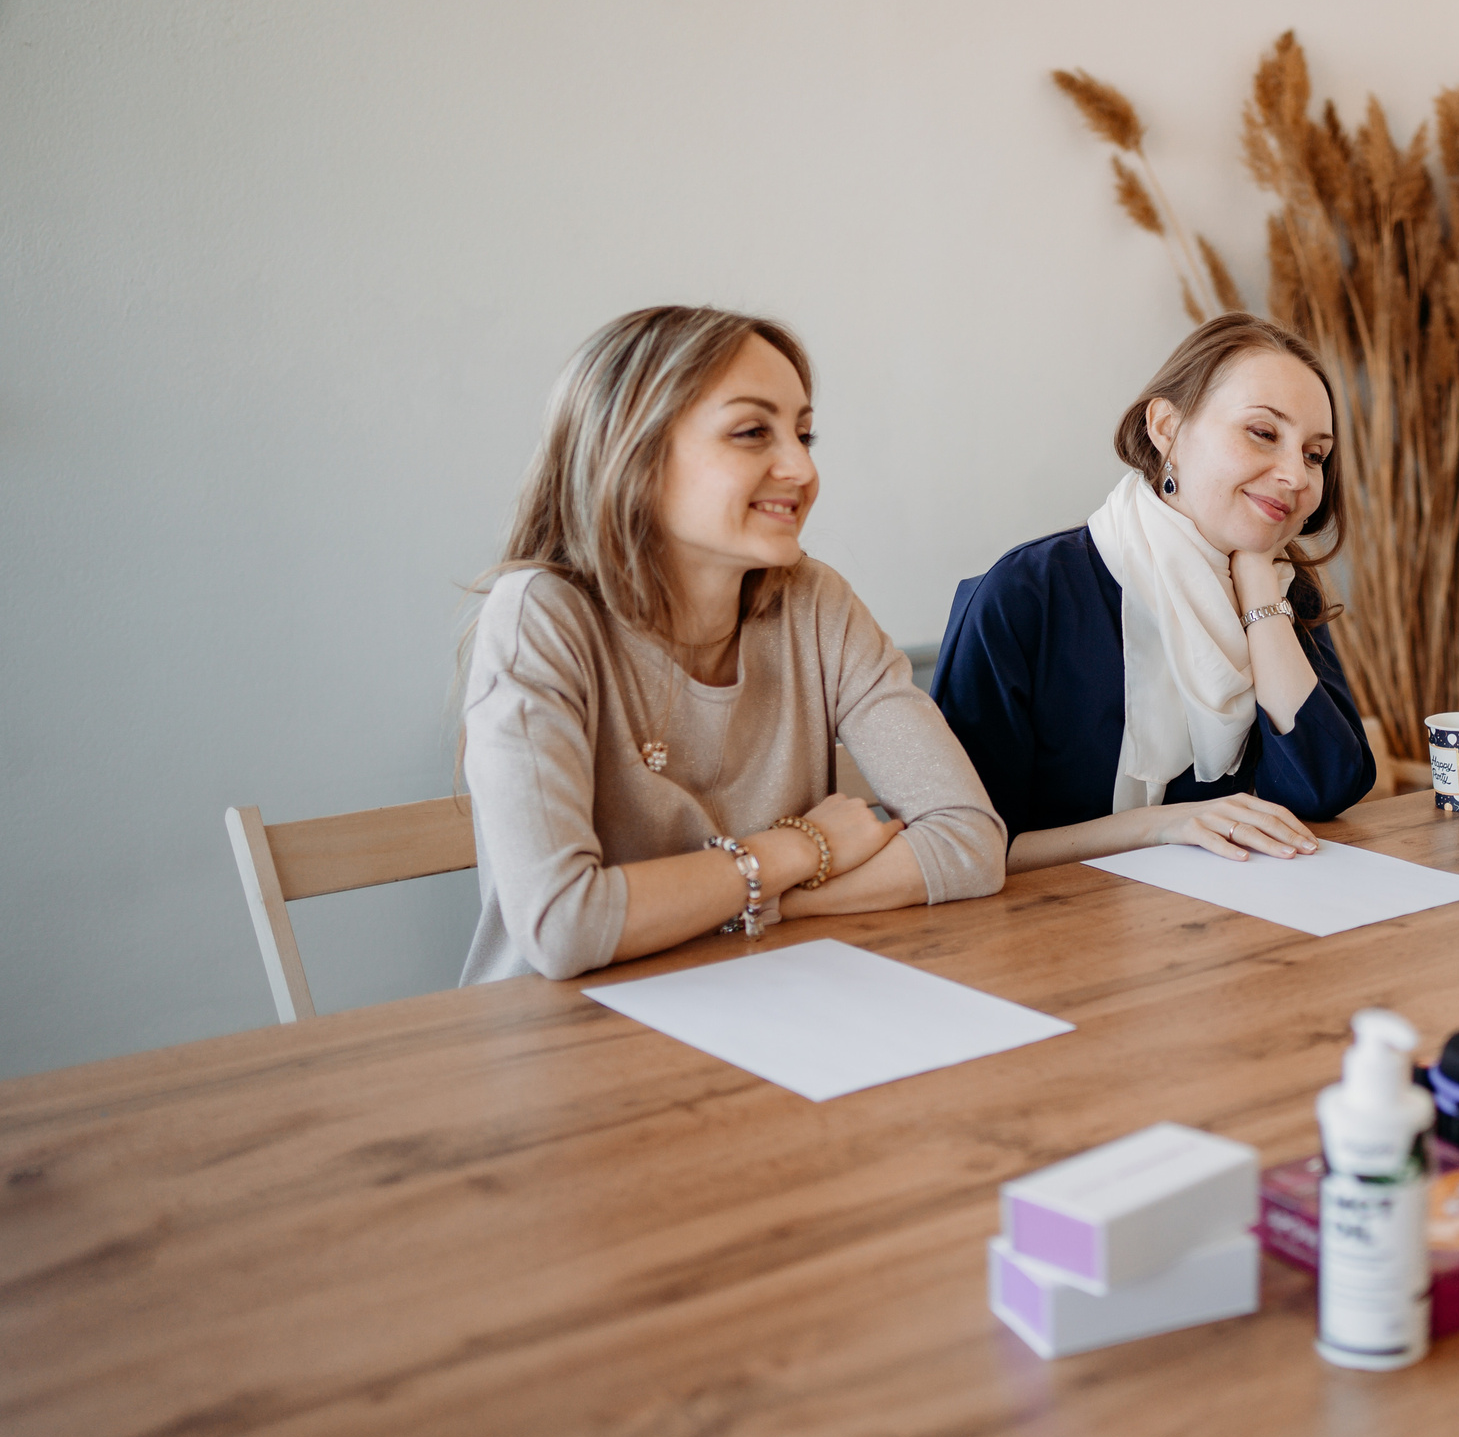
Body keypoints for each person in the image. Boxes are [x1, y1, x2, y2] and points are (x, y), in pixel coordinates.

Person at [460, 307, 1005, 983]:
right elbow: (566, 924)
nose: (802, 467)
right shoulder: (539, 617)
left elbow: (969, 841)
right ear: (634, 451)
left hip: (761, 1005)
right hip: (562, 1047)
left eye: (805, 434)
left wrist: (755, 904)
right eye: (753, 432)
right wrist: (800, 847)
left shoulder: (815, 603)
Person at [933, 313, 1376, 869]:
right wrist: (1159, 826)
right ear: (1166, 428)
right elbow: (962, 849)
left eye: (1315, 455)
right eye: (1263, 433)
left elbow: (1326, 787)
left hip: (1242, 935)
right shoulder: (1025, 596)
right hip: (1054, 940)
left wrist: (1259, 578)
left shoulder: (1286, 592)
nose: (1297, 476)